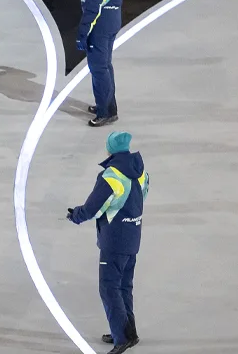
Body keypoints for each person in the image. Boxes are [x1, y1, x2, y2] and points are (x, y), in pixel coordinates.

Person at [67, 131, 149, 354]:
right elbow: (142, 196)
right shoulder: (141, 171)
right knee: (124, 286)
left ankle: (121, 338)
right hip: (133, 236)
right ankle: (129, 332)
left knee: (109, 288)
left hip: (114, 241)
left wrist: (76, 215)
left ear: (110, 149)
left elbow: (93, 208)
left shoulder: (110, 176)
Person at [79, 0, 129, 127]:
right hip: (114, 20)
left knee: (99, 69)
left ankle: (105, 112)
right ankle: (108, 105)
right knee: (106, 65)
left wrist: (82, 34)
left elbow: (92, 9)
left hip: (99, 25)